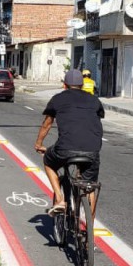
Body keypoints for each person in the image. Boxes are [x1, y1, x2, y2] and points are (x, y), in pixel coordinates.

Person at [34, 69, 104, 217]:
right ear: (82, 84)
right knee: (89, 186)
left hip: (65, 149)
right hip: (92, 150)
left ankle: (59, 200)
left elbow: (47, 124)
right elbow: (96, 119)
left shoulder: (58, 99)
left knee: (48, 161)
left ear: (65, 85)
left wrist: (39, 144)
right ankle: (88, 233)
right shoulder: (94, 100)